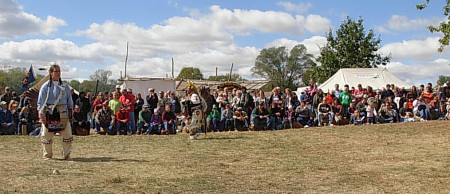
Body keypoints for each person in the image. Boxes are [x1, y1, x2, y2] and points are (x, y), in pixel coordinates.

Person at [37, 64, 73, 160]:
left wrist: (71, 110)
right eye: (56, 71)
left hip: (63, 113)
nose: (58, 73)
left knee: (67, 134)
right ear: (51, 73)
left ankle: (66, 155)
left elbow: (69, 99)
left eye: (59, 71)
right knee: (46, 135)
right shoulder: (45, 87)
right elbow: (40, 102)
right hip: (49, 112)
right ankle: (47, 155)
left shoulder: (65, 86)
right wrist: (41, 114)